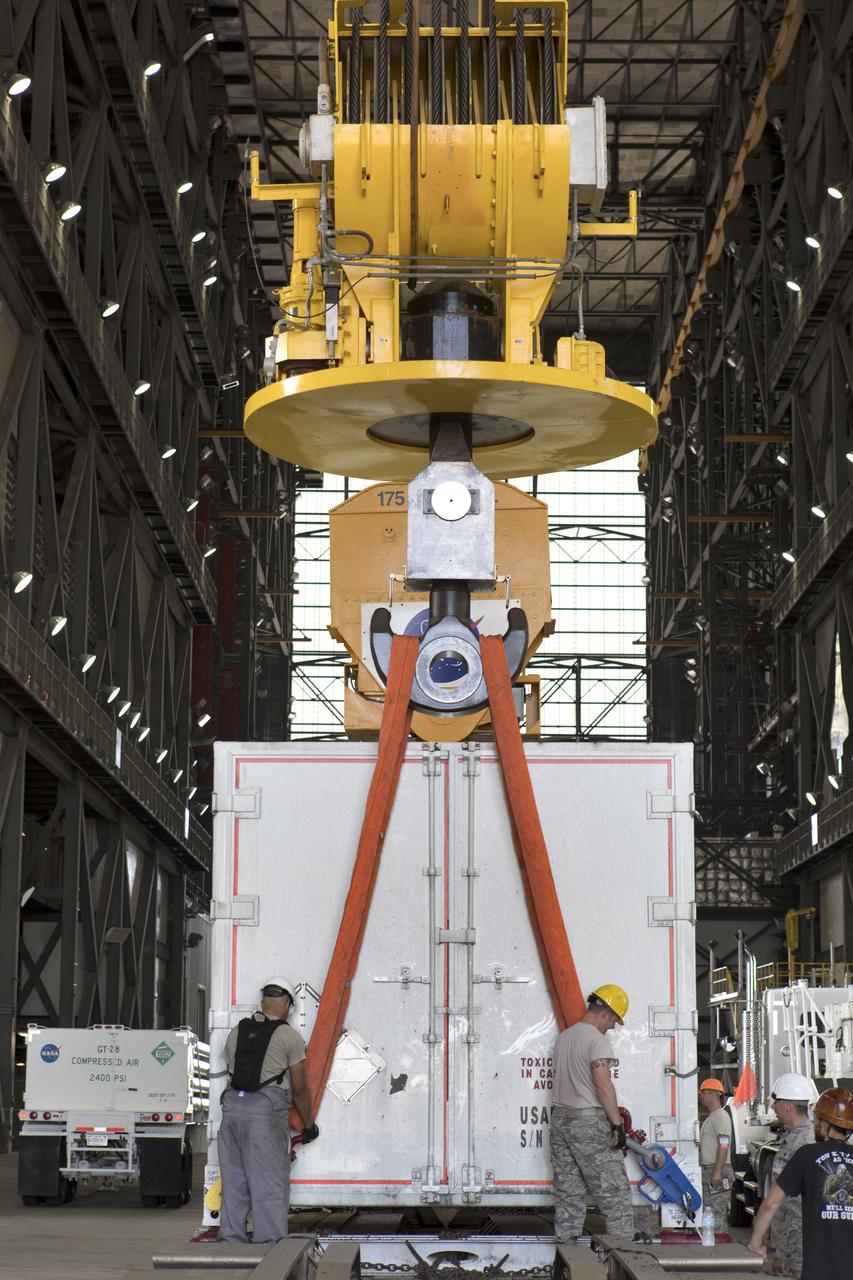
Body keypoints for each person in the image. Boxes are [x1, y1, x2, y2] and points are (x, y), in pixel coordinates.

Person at [218, 977, 318, 1243]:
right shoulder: (288, 1036)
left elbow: (231, 1070)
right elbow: (300, 1089)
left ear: (263, 1001)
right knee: (269, 1184)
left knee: (234, 1183)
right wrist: (309, 1125)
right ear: (286, 1004)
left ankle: (230, 1242)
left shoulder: (237, 1031)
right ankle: (269, 1248)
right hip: (264, 1116)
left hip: (231, 1114)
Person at [549, 983, 634, 1242]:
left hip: (560, 1122)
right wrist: (617, 1125)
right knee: (616, 1198)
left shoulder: (564, 1038)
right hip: (587, 1124)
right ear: (605, 1012)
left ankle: (567, 1259)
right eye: (614, 1021)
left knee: (569, 1197)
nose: (613, 1027)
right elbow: (602, 1083)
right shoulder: (597, 1041)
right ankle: (624, 1264)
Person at [748, 1086, 853, 1280]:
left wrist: (755, 1246)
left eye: (817, 1119)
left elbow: (771, 1204)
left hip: (818, 1272)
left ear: (825, 1123)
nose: (814, 1124)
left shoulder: (807, 1155)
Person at [767, 1073, 817, 1278]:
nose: (772, 1107)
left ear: (789, 1105)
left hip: (798, 1245)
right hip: (790, 1241)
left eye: (776, 1101)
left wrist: (782, 1251)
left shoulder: (804, 1142)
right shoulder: (794, 1137)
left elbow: (795, 1206)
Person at [697, 1077, 733, 1234]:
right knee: (709, 1211)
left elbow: (724, 1145)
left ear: (712, 1094)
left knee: (716, 1213)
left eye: (703, 1093)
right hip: (711, 1170)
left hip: (718, 1171)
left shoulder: (721, 1117)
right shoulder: (713, 1117)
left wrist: (717, 1172)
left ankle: (720, 1248)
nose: (701, 1096)